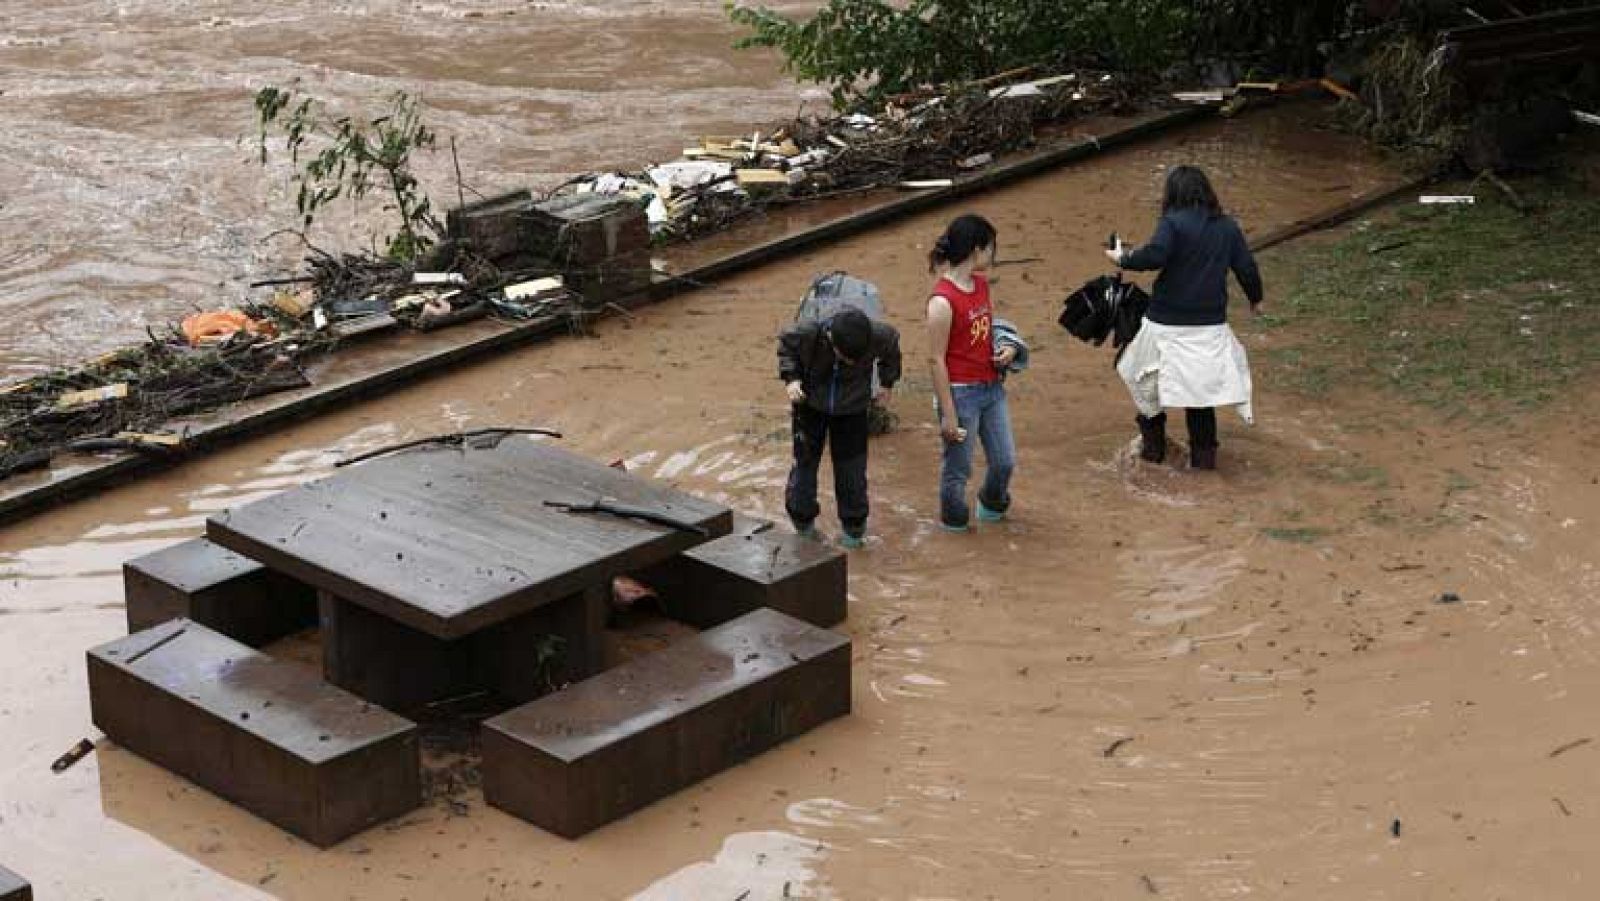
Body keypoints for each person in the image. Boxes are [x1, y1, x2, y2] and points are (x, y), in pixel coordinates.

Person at [1108, 165, 1263, 470]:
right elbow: (1246, 267)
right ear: (1207, 193)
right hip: (1209, 326)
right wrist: (1255, 300)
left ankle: (1153, 452)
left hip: (1165, 322)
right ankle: (1205, 466)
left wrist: (1121, 258)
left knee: (1141, 380)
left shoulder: (1172, 223)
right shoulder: (1227, 227)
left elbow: (1155, 256)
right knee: (1200, 398)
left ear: (1172, 194)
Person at [778, 305, 901, 548]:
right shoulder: (807, 332)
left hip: (853, 409)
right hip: (809, 404)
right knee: (804, 468)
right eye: (845, 358)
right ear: (831, 339)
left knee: (852, 474)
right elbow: (786, 346)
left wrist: (887, 383)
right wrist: (791, 379)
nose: (850, 362)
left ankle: (854, 532)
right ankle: (803, 528)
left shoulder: (879, 335)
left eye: (856, 359)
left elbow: (892, 350)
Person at [926, 213, 1017, 531]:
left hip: (991, 387)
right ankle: (954, 524)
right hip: (961, 394)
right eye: (991, 247)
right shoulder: (942, 302)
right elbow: (936, 360)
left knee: (1004, 462)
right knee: (958, 470)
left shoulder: (980, 285)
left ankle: (991, 505)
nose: (993, 254)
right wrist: (948, 414)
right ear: (977, 250)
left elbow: (986, 329)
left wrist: (1007, 349)